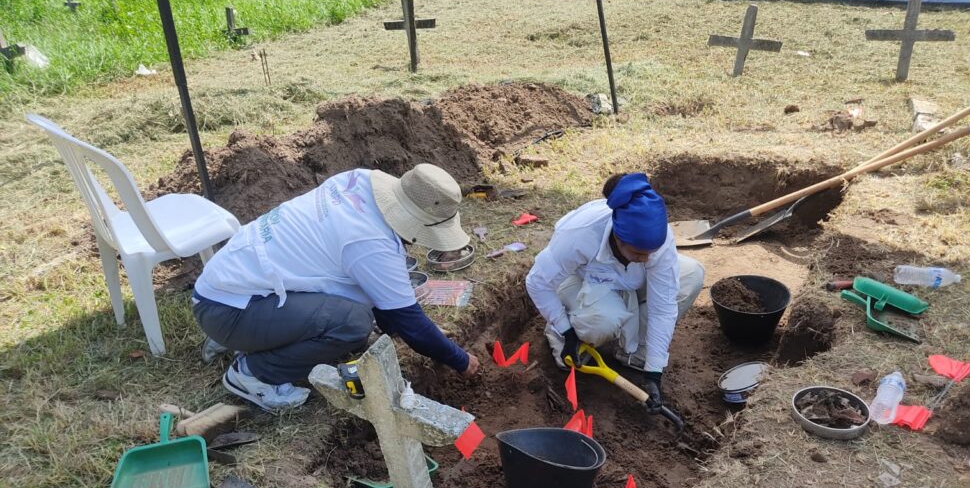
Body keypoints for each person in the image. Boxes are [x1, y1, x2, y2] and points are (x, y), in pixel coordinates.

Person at [192, 164, 480, 411]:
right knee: (353, 325)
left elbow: (383, 299)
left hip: (231, 284)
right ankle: (253, 374)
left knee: (351, 315)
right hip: (230, 309)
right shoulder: (370, 244)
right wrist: (459, 359)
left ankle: (252, 335)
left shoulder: (358, 181)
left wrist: (418, 328)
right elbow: (405, 321)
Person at [525, 172, 704, 411]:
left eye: (650, 253)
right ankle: (565, 329)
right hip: (583, 283)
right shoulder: (579, 234)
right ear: (618, 238)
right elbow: (536, 282)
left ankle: (633, 352)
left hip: (628, 282)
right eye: (638, 253)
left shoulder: (657, 244)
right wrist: (566, 331)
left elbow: (663, 308)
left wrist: (654, 372)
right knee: (601, 323)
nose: (646, 258)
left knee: (692, 275)